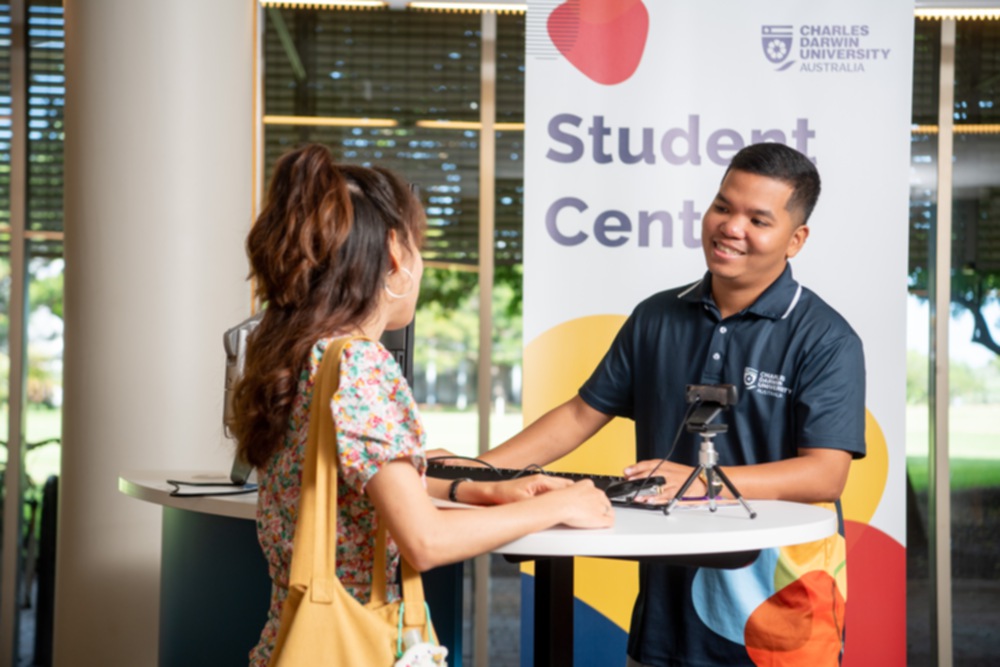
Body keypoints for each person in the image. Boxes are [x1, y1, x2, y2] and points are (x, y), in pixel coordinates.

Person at [477, 142, 866, 666]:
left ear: (795, 240)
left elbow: (825, 475)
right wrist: (478, 473)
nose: (730, 226)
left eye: (758, 219)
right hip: (668, 607)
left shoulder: (826, 338)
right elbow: (578, 414)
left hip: (777, 612)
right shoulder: (656, 316)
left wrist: (702, 481)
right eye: (723, 206)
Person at [231, 143, 614, 667]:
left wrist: (479, 489)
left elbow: (346, 481)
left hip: (292, 641)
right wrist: (556, 506)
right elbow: (425, 541)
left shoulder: (294, 353)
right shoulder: (361, 366)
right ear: (394, 255)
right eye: (420, 246)